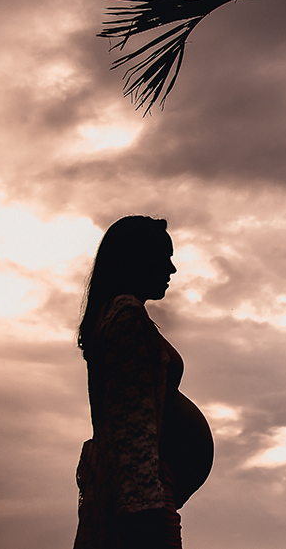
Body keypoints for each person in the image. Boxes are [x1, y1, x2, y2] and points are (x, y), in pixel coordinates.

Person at [74, 216, 213, 549]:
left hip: (148, 490)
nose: (172, 269)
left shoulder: (115, 314)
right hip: (146, 495)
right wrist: (142, 505)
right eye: (165, 258)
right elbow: (132, 421)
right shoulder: (126, 314)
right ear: (138, 259)